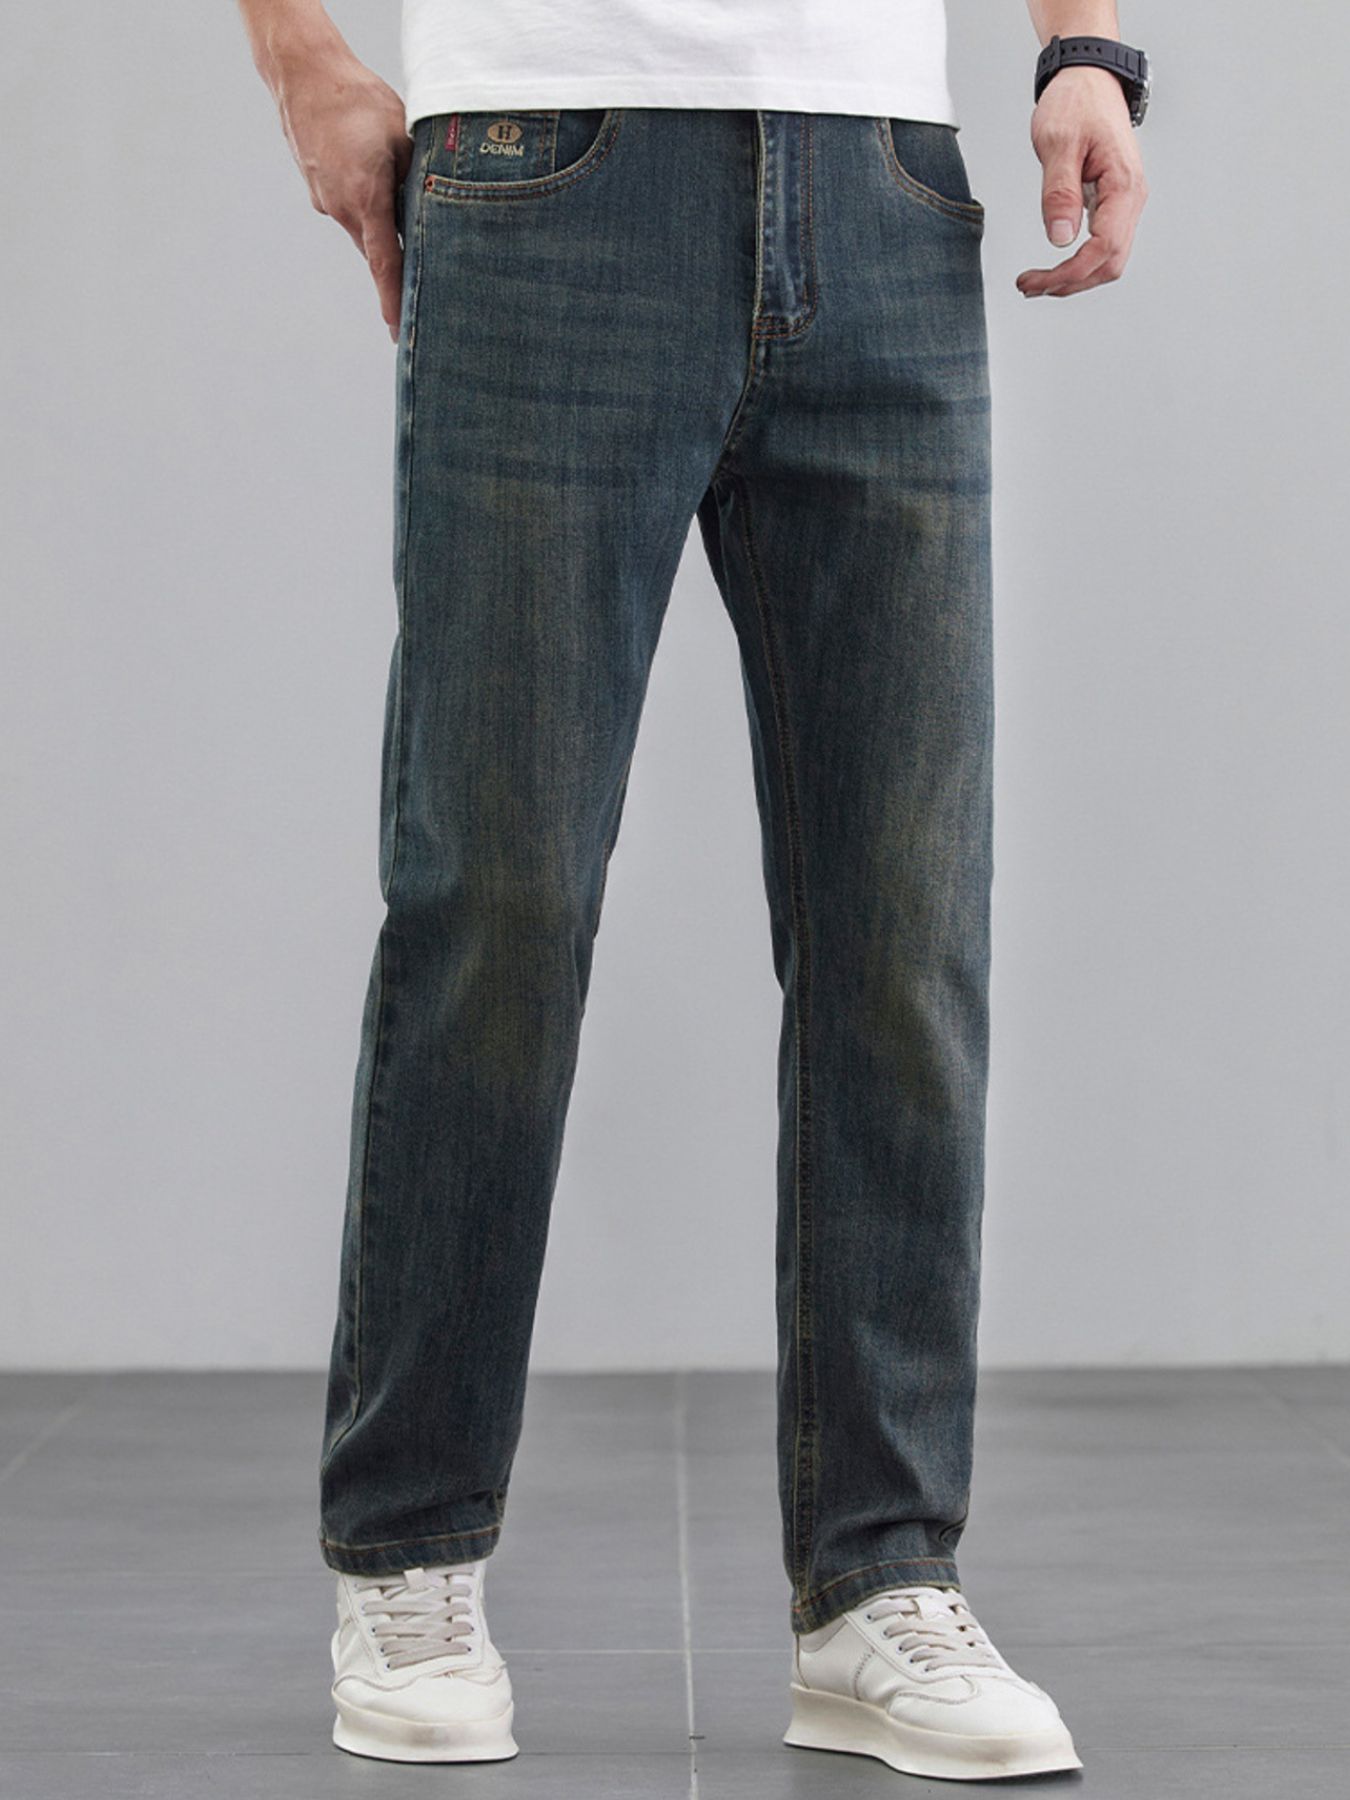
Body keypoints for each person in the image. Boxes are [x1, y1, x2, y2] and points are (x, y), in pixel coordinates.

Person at [236, 0, 1148, 1779]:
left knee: (904, 930)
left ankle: (879, 1580)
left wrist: (1084, 51)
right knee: (495, 902)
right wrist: (303, 63)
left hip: (883, 181)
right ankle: (408, 1555)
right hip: (543, 169)